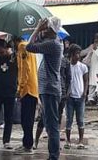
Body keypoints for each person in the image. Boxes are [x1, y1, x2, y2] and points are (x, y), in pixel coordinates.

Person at [26, 16, 63, 160]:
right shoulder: (52, 42)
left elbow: (29, 46)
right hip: (47, 88)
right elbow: (37, 40)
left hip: (50, 88)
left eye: (46, 28)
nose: (43, 30)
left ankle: (54, 156)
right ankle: (52, 154)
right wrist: (41, 30)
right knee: (48, 123)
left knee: (52, 125)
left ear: (51, 30)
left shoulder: (53, 44)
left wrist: (37, 29)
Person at [33, 51, 71, 150]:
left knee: (56, 120)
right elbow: (40, 76)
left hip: (61, 94)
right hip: (49, 92)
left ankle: (55, 143)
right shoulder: (46, 61)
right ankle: (36, 141)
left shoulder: (65, 62)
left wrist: (67, 94)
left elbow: (68, 79)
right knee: (43, 118)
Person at [13, 36, 38, 155]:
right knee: (27, 119)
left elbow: (24, 69)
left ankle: (28, 146)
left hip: (27, 89)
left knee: (26, 120)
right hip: (33, 88)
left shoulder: (22, 47)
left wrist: (20, 87)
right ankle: (26, 143)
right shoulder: (29, 46)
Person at [64, 44, 88, 149]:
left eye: (79, 53)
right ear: (71, 55)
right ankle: (68, 141)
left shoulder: (83, 67)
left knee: (80, 120)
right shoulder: (67, 66)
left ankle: (81, 141)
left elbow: (86, 80)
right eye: (76, 54)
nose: (78, 56)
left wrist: (85, 92)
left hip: (80, 96)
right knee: (69, 120)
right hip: (69, 97)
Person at [83, 33, 98, 104]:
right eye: (95, 38)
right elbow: (85, 52)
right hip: (93, 68)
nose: (96, 39)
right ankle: (90, 99)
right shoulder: (92, 46)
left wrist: (96, 50)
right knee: (91, 84)